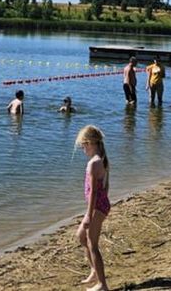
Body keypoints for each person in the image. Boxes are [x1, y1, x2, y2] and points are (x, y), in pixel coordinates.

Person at [75, 125, 111, 291]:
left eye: (83, 145)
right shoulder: (99, 159)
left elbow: (95, 193)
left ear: (89, 143)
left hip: (97, 207)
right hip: (98, 205)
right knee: (81, 236)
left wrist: (89, 215)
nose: (83, 149)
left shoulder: (94, 164)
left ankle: (102, 284)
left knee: (92, 244)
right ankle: (94, 270)